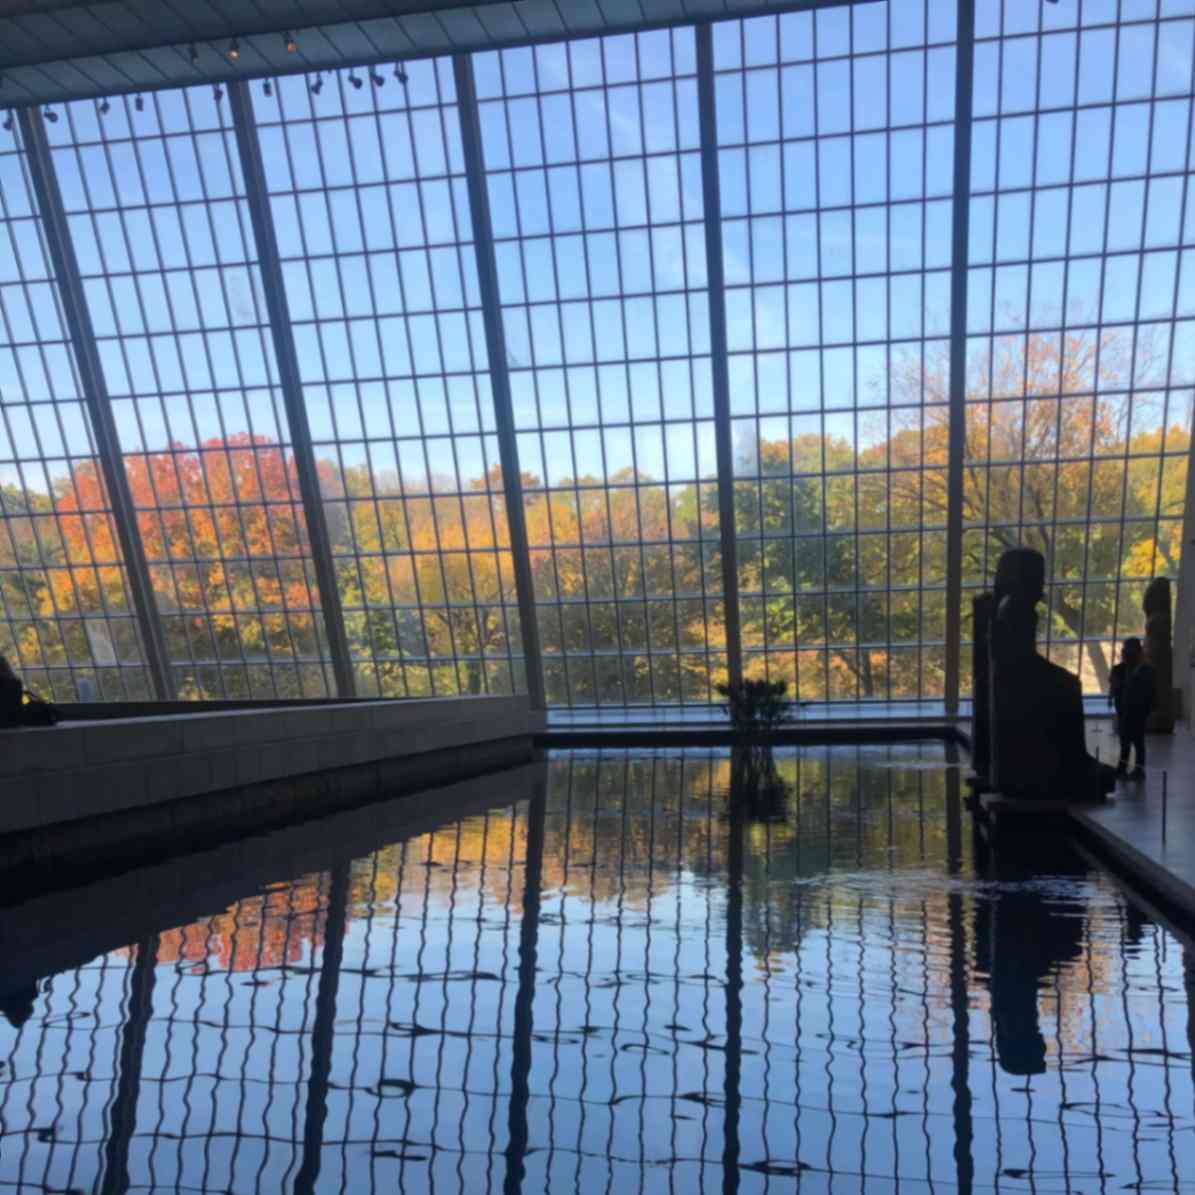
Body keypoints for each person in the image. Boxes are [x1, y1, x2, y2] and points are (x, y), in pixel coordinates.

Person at [1108, 637, 1154, 779]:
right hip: (1124, 709)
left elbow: (1149, 691)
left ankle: (1138, 770)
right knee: (1125, 740)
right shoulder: (1119, 669)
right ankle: (1123, 768)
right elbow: (1114, 686)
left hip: (1138, 711)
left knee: (1138, 741)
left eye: (1129, 650)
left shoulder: (1145, 670)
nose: (1126, 653)